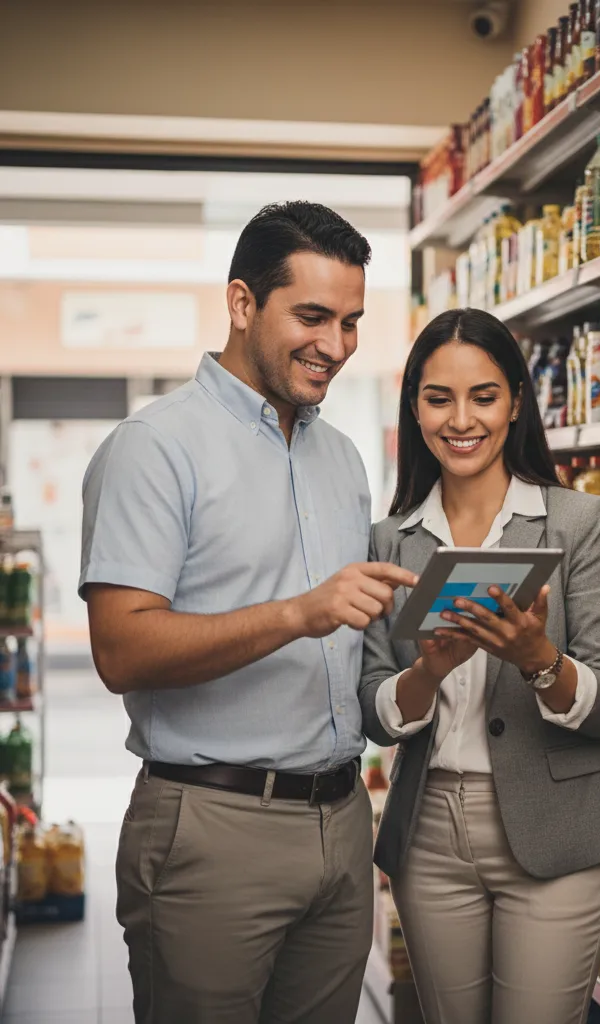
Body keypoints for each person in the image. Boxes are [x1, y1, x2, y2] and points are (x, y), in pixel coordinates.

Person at [79, 201, 416, 1024]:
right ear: (241, 304)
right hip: (210, 828)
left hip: (340, 824)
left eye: (351, 321)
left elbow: (358, 643)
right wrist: (299, 613)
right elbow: (121, 650)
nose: (334, 346)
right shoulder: (155, 447)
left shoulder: (342, 459)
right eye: (311, 316)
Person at [359, 307, 600, 1024]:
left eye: (483, 396)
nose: (462, 419)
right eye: (438, 397)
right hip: (429, 830)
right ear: (414, 409)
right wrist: (426, 672)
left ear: (516, 402)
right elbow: (371, 707)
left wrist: (539, 660)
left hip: (556, 826)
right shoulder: (388, 541)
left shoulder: (579, 523)